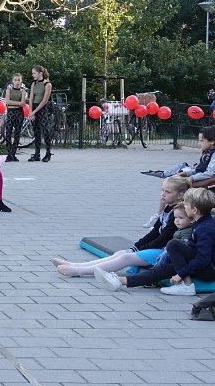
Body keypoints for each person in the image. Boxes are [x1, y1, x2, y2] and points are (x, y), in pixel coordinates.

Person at [52, 176, 191, 277]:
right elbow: (155, 231)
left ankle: (79, 271)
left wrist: (138, 250)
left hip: (166, 252)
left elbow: (163, 239)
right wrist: (136, 246)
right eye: (162, 190)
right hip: (158, 247)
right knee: (121, 253)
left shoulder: (178, 213)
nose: (163, 194)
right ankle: (74, 264)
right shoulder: (168, 209)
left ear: (180, 195)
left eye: (168, 192)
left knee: (126, 258)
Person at [95, 188, 215, 296]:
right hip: (199, 265)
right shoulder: (201, 223)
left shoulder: (205, 228)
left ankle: (187, 286)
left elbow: (203, 259)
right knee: (162, 269)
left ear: (194, 210)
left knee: (173, 244)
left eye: (186, 205)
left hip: (208, 270)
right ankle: (120, 281)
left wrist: (181, 274)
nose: (184, 207)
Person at [27, 65, 53, 162]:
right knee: (36, 131)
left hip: (42, 109)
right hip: (33, 108)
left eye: (34, 73)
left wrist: (34, 111)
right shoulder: (34, 83)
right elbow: (31, 98)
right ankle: (37, 153)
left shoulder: (47, 84)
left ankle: (48, 153)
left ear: (40, 73)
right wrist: (30, 112)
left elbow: (44, 100)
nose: (32, 75)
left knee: (45, 131)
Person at [1, 72, 27, 162]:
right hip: (11, 112)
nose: (17, 82)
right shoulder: (9, 89)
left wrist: (17, 103)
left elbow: (23, 103)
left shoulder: (23, 90)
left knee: (17, 133)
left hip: (19, 112)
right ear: (13, 81)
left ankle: (13, 153)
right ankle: (9, 154)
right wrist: (18, 103)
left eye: (19, 80)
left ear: (21, 81)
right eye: (15, 80)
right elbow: (7, 101)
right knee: (8, 133)